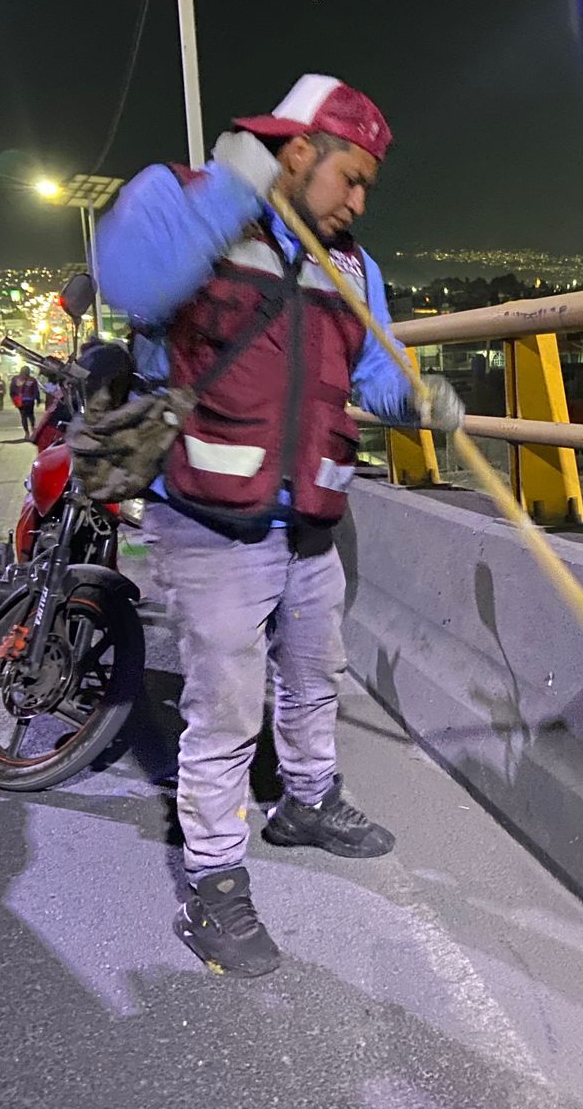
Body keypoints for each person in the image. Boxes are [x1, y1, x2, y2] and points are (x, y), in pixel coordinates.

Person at [97, 73, 465, 979]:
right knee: (226, 706)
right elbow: (134, 280)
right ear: (300, 153)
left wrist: (421, 401)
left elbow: (368, 376)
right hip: (211, 517)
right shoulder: (186, 201)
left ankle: (307, 799)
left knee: (313, 673)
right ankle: (214, 881)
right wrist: (236, 185)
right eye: (353, 178)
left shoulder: (355, 266)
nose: (361, 200)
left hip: (312, 513)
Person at [9, 366, 40, 438]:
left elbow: (12, 389)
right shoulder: (32, 380)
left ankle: (27, 432)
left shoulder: (15, 379)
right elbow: (35, 390)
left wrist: (13, 398)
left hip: (20, 400)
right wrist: (37, 399)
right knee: (30, 415)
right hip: (29, 400)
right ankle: (32, 428)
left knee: (23, 416)